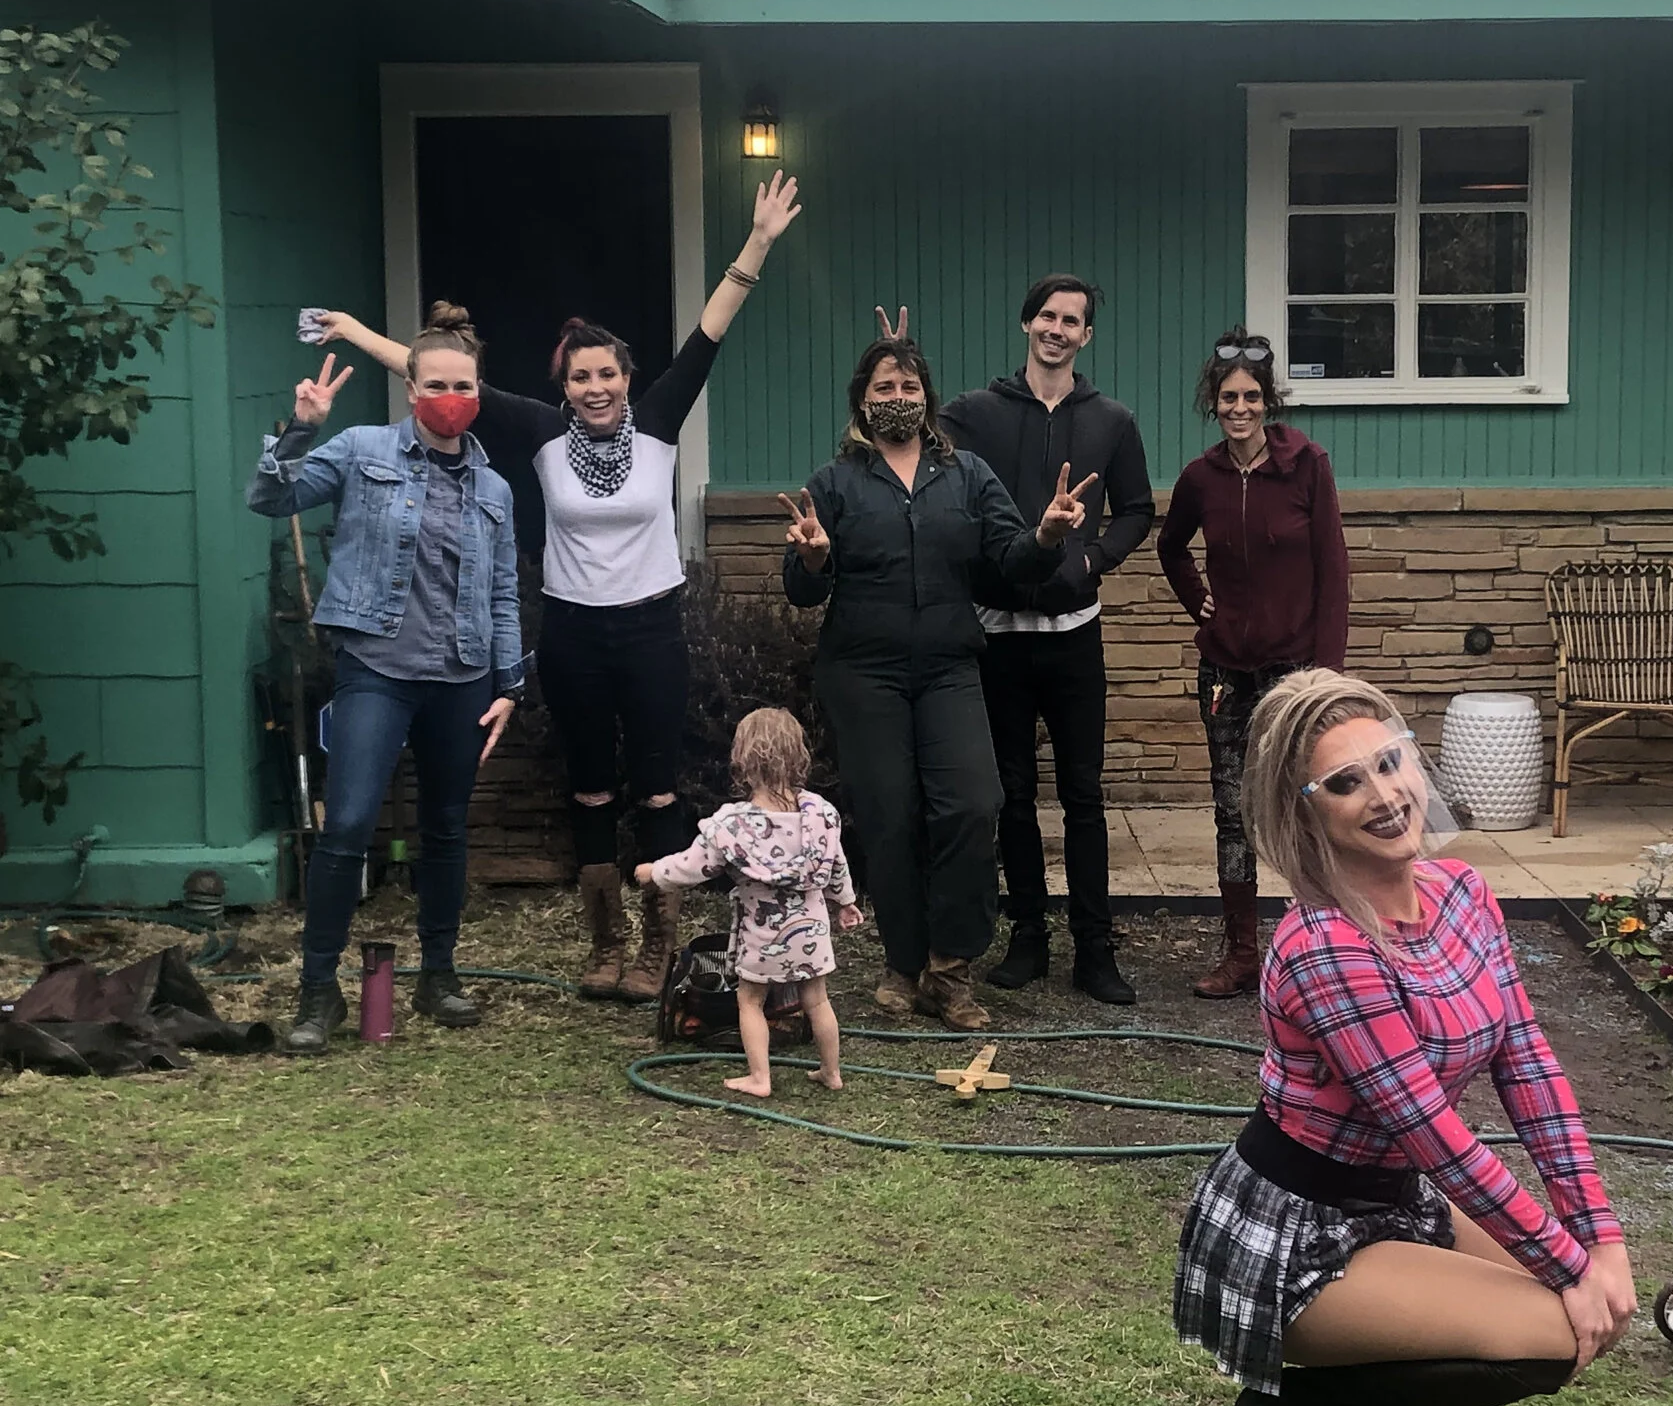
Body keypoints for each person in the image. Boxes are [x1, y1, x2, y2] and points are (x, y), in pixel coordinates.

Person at [308, 171, 803, 1004]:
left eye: (607, 373)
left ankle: (655, 946)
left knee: (657, 787)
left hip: (652, 631)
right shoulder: (540, 433)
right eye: (580, 377)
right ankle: (605, 943)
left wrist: (756, 241)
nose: (596, 387)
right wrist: (357, 332)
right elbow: (436, 376)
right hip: (574, 635)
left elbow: (709, 332)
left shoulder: (660, 423)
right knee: (590, 787)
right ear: (563, 386)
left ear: (626, 377)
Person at [1172, 671, 1635, 1406]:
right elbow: (1434, 1135)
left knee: (1586, 1306)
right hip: (1296, 1230)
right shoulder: (1325, 945)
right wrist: (1570, 1268)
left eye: (1390, 762)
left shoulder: (1464, 894)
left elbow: (1528, 1064)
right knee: (1555, 1330)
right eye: (1345, 782)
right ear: (1306, 812)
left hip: (1395, 1200)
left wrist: (1599, 1238)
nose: (1385, 795)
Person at [782, 333, 1096, 1031]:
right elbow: (803, 591)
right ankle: (903, 963)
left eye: (909, 386)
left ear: (927, 396)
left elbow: (1013, 557)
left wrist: (1047, 536)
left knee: (973, 804)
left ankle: (950, 968)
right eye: (884, 388)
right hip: (863, 672)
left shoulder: (967, 474)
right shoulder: (834, 483)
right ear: (862, 400)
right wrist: (813, 559)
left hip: (949, 666)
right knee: (890, 815)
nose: (898, 398)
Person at [247, 321, 522, 1053]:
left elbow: (503, 592)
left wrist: (510, 684)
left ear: (477, 393)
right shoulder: (361, 449)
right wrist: (301, 429)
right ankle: (318, 990)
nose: (450, 397)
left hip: (463, 676)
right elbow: (268, 499)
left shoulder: (494, 488)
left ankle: (438, 973)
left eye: (463, 386)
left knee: (446, 828)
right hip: (375, 668)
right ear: (411, 389)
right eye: (436, 385)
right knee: (346, 825)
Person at [937, 275, 1153, 1007]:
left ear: (1087, 335)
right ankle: (1028, 935)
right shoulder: (975, 414)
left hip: (1074, 639)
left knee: (1083, 794)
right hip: (999, 635)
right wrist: (900, 358)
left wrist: (1091, 559)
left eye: (1072, 320)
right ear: (1027, 323)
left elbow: (1137, 509)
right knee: (1014, 794)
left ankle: (1095, 948)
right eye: (1047, 316)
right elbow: (920, 453)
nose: (1057, 329)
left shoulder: (1112, 420)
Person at [1157, 329, 1351, 999]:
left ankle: (1322, 945)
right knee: (1232, 812)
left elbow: (1333, 571)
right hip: (1225, 671)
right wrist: (1199, 604)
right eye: (1227, 398)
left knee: (1308, 805)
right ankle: (1242, 952)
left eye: (1250, 397)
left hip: (1294, 674)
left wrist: (1327, 673)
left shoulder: (1307, 466)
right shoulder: (1200, 478)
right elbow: (1171, 546)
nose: (1239, 408)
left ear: (1268, 400)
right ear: (1212, 403)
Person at [637, 707, 861, 1099]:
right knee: (817, 999)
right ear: (799, 756)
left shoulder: (733, 825)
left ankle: (760, 1078)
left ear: (742, 760)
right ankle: (831, 1071)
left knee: (750, 1000)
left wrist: (654, 872)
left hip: (763, 934)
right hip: (811, 932)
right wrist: (845, 901)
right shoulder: (820, 815)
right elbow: (836, 864)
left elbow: (692, 866)